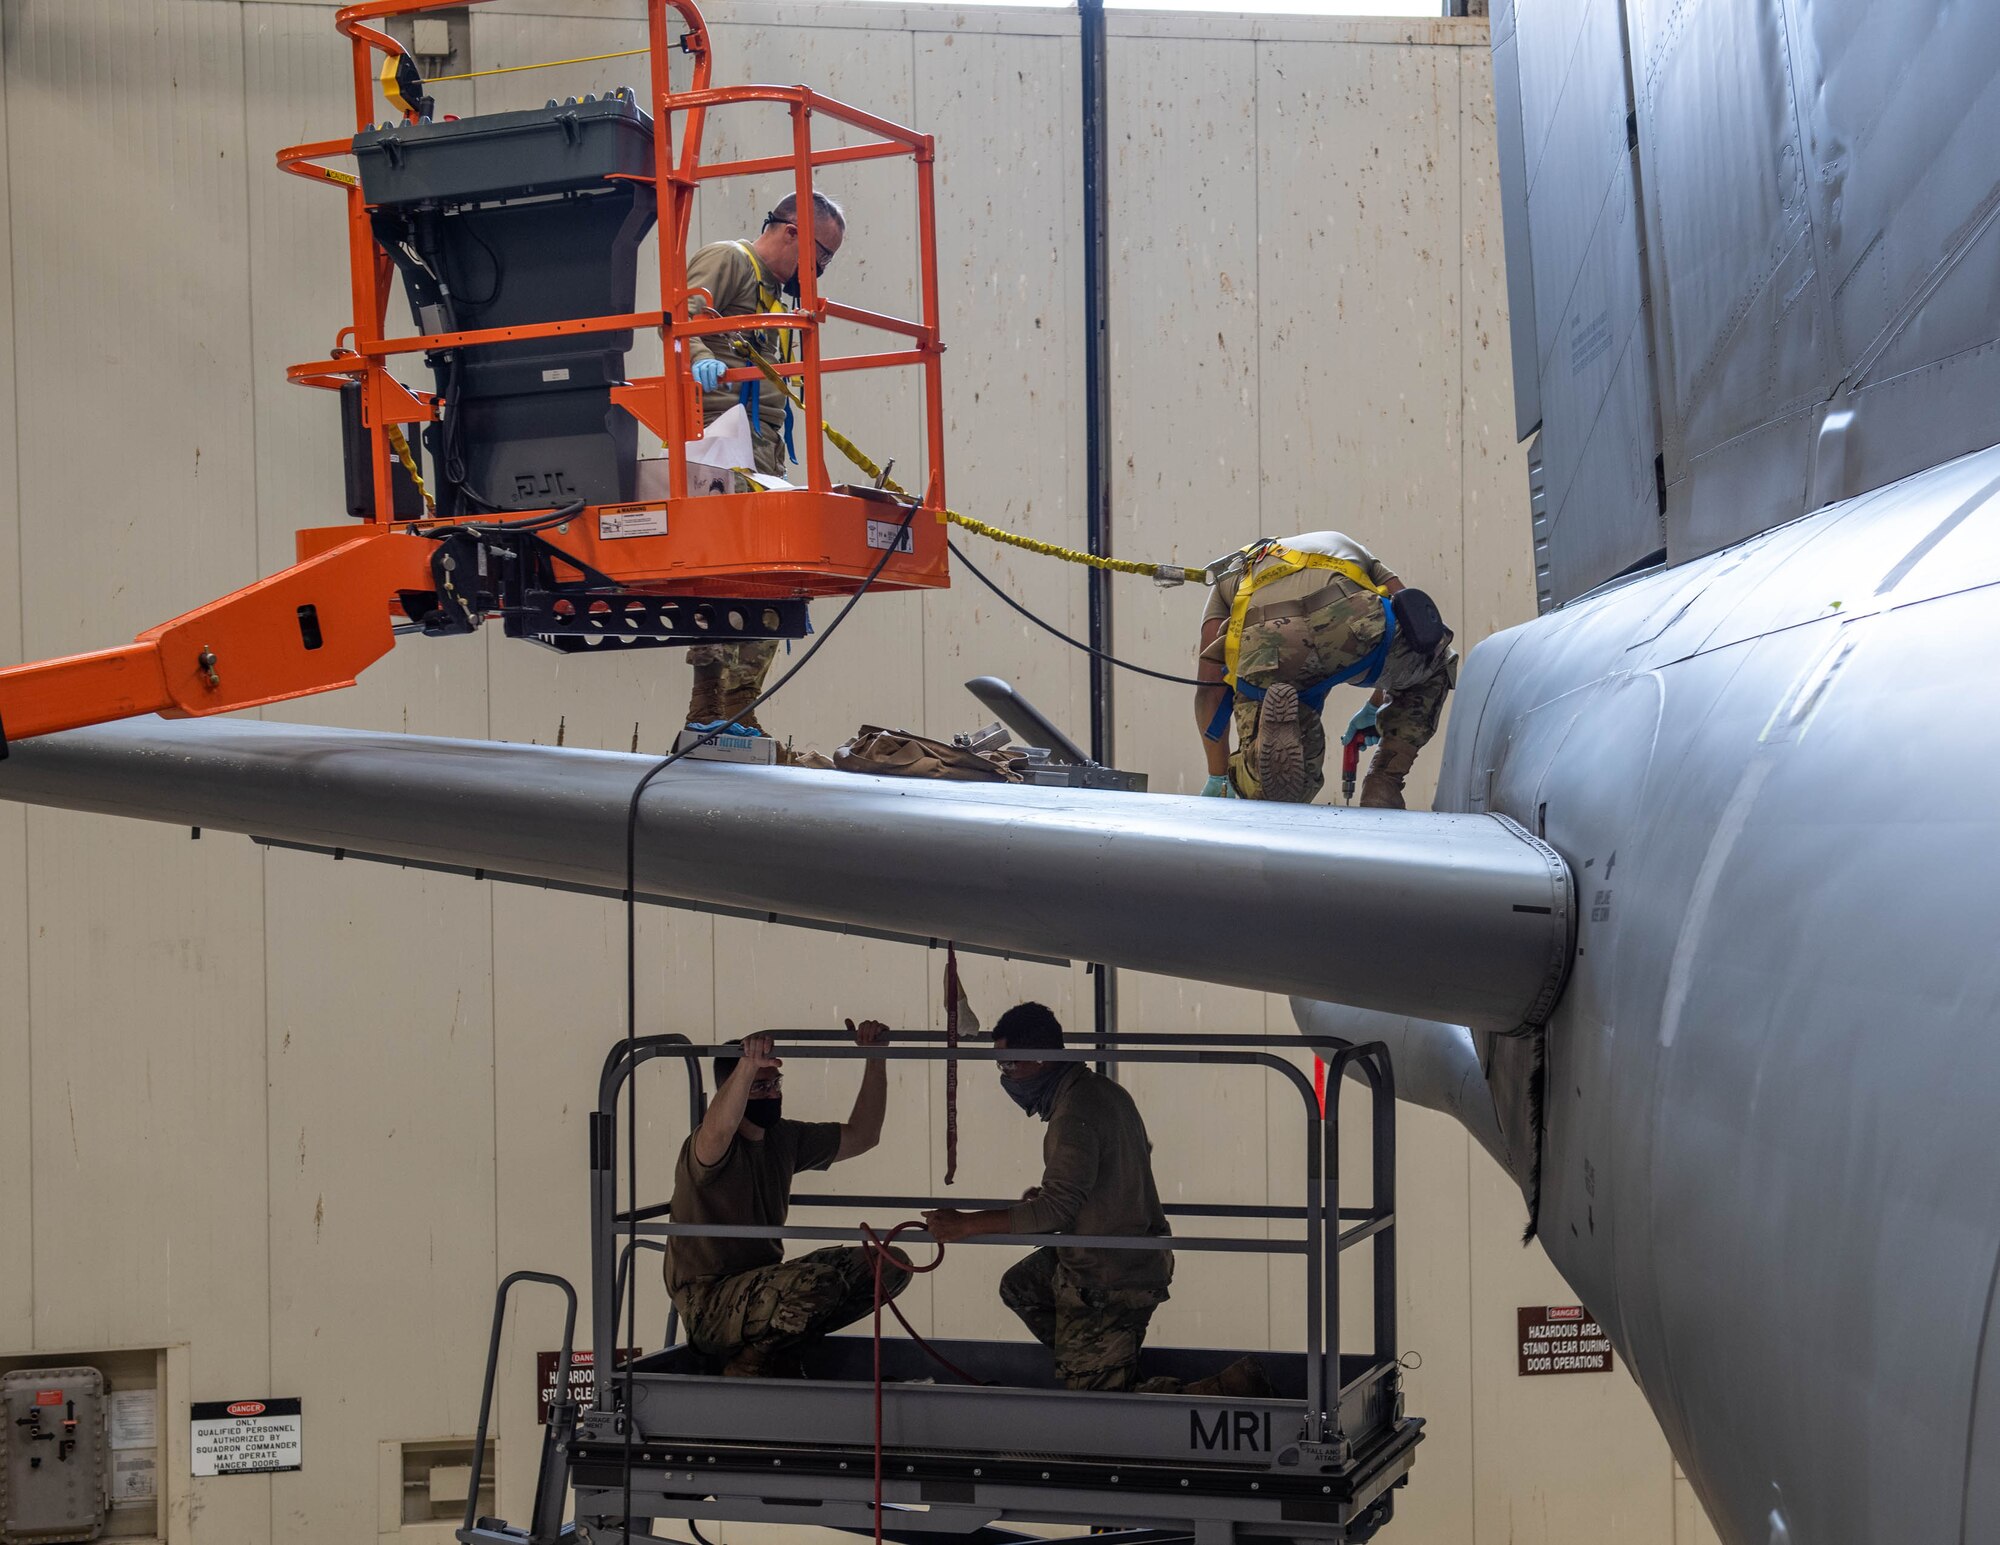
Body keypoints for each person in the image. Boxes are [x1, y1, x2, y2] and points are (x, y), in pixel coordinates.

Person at [922, 1003, 1175, 1391]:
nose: (1005, 1077)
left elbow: (1055, 1212)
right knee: (1022, 1286)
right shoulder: (1102, 1092)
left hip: (1110, 1276)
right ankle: (1097, 1359)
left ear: (1041, 1059)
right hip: (1129, 1255)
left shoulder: (1073, 1114)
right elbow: (1111, 1171)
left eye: (1009, 1065)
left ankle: (1222, 1388)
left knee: (1100, 1411)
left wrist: (966, 1224)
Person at [680, 189, 849, 738]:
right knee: (731, 577)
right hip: (718, 438)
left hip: (759, 447)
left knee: (771, 579)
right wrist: (703, 359)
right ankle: (711, 709)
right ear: (791, 231)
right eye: (820, 256)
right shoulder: (729, 260)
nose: (819, 270)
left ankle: (737, 707)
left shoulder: (775, 297)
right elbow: (682, 317)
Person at [664, 1019, 907, 1377]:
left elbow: (863, 1135)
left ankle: (778, 1346)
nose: (773, 1093)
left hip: (762, 1285)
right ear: (733, 1089)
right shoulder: (710, 1146)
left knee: (889, 1263)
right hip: (709, 1304)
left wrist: (875, 1058)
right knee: (819, 1283)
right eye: (760, 1086)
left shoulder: (783, 1138)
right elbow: (718, 1126)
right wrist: (747, 1065)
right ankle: (751, 1364)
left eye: (775, 1083)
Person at [1193, 531, 1454, 806]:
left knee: (1276, 776)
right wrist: (1376, 705)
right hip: (1350, 624)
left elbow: (1210, 688)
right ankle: (1384, 782)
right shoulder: (1342, 543)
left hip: (1269, 647)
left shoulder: (1233, 572)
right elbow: (1418, 627)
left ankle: (1262, 766)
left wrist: (1218, 776)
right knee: (1435, 661)